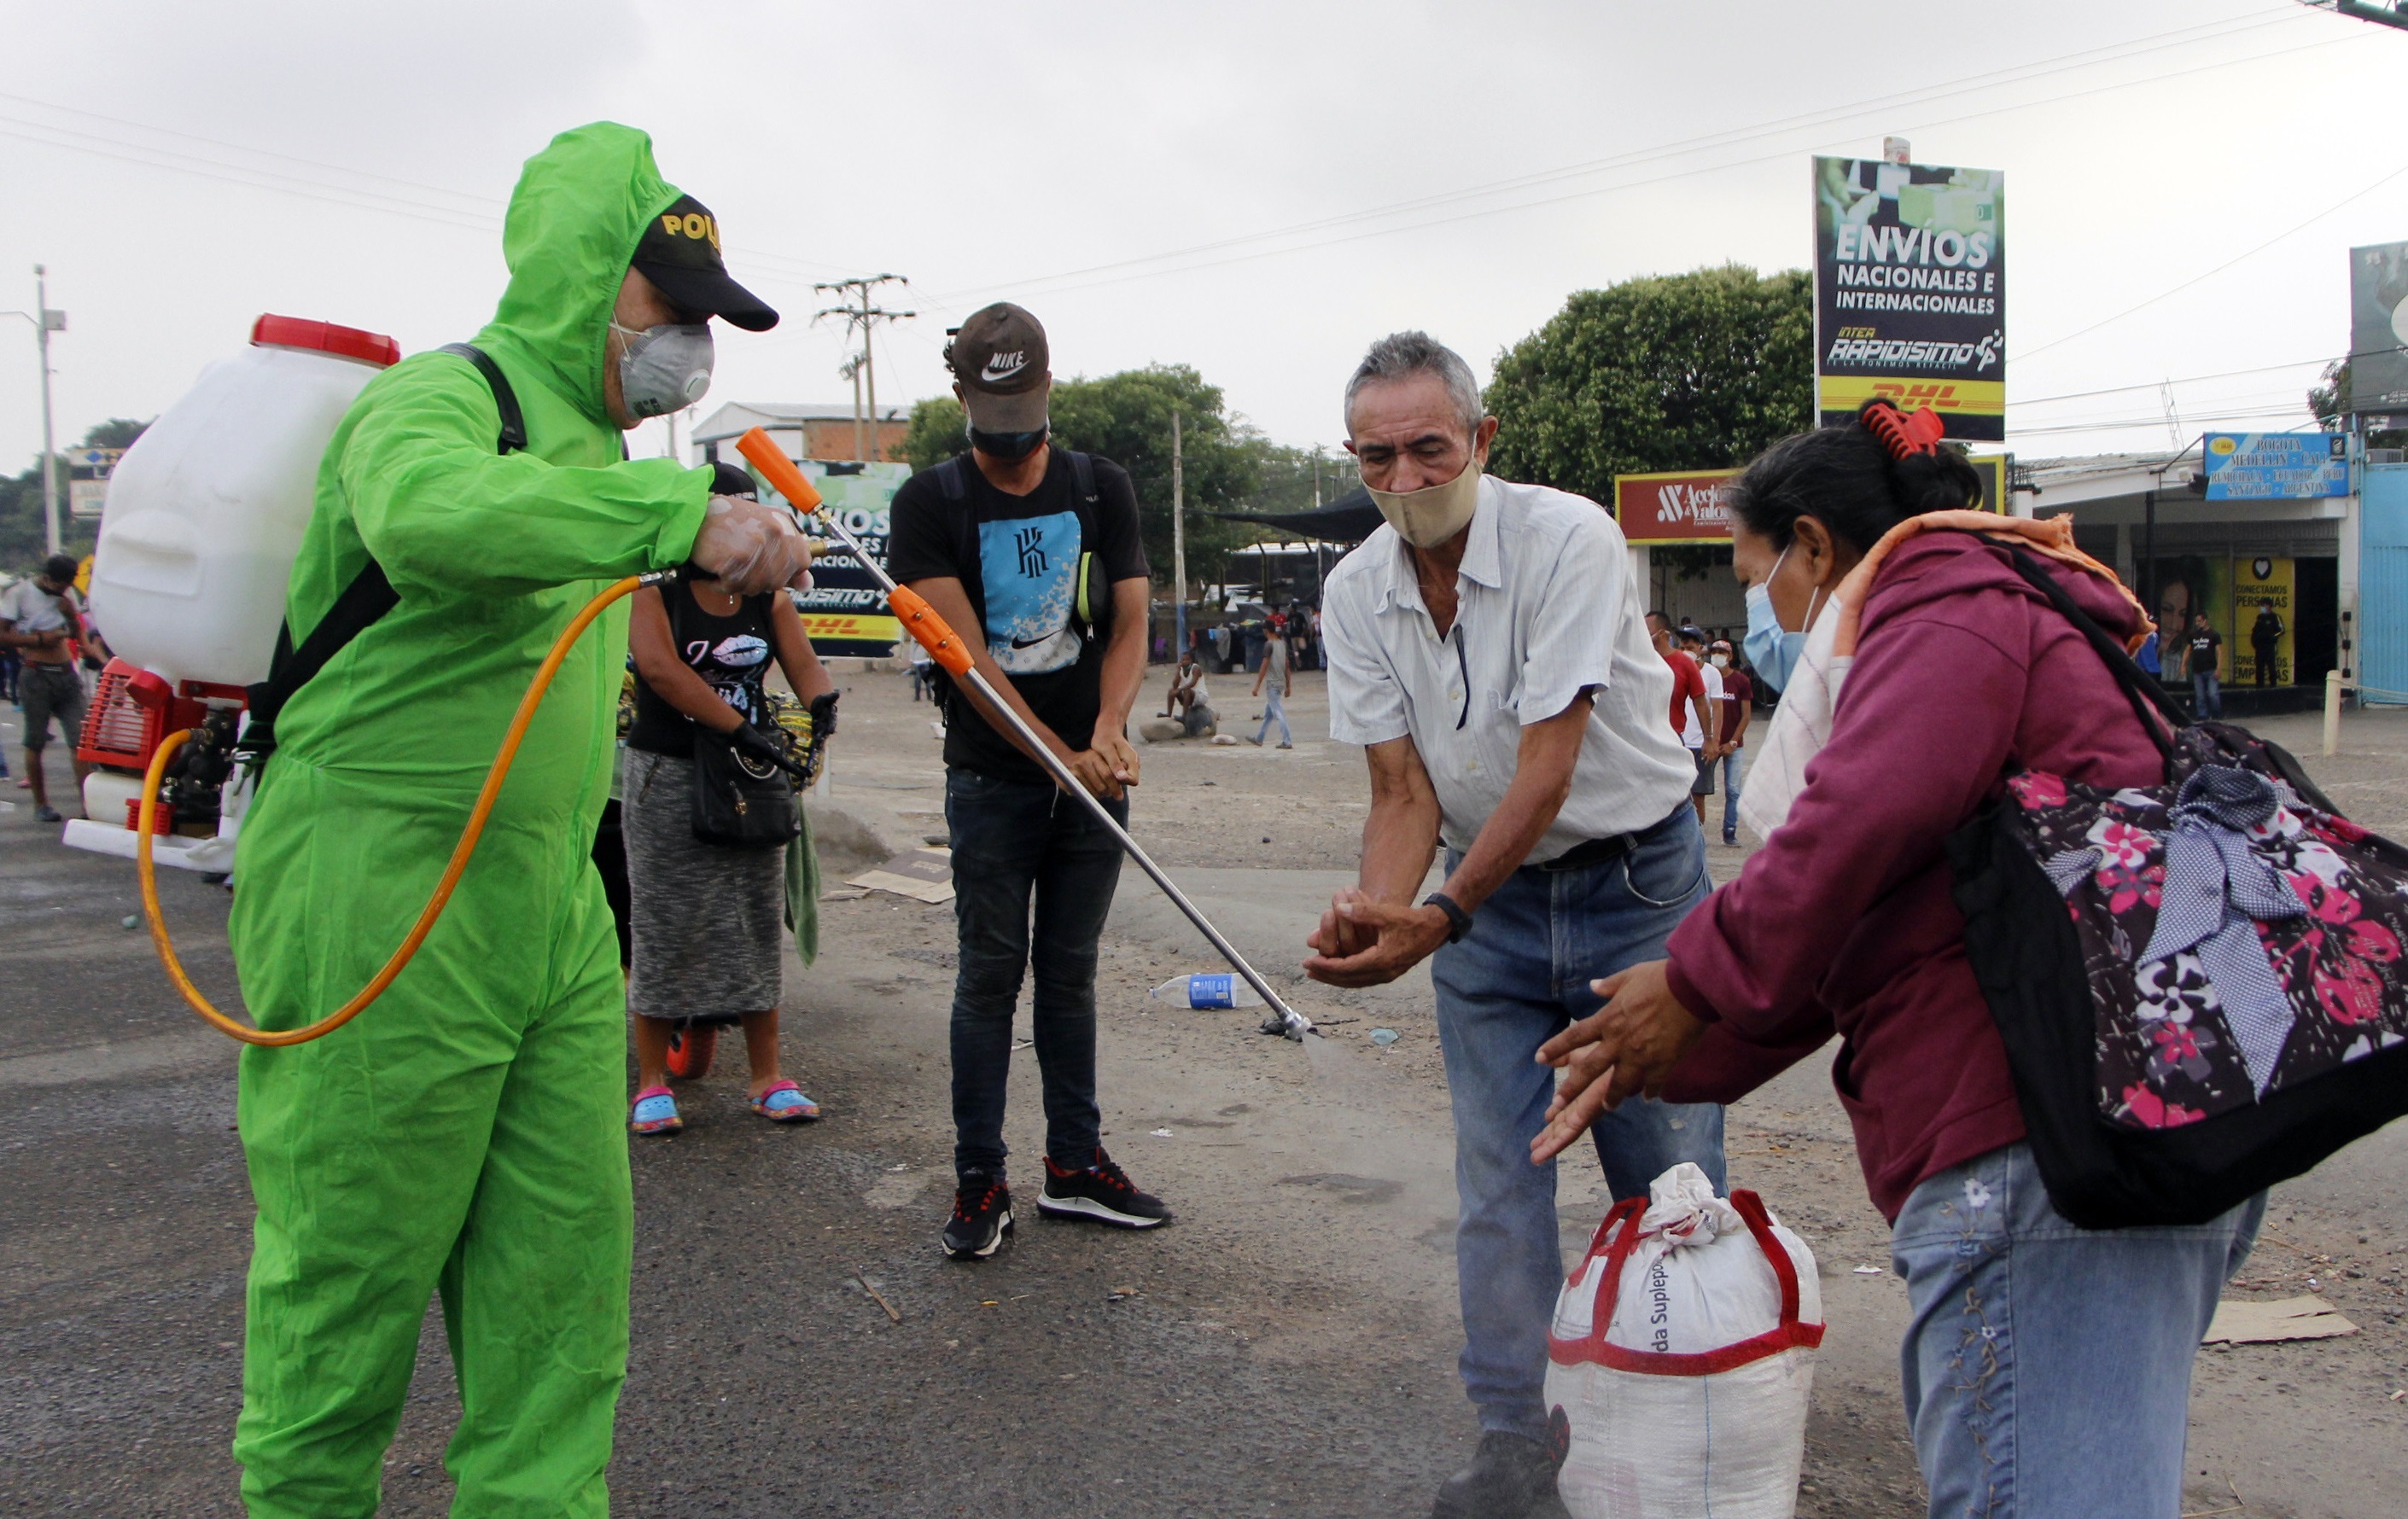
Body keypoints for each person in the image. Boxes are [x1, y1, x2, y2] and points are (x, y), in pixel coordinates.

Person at [1531, 403, 2265, 1519]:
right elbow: (1861, 924)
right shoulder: (1989, 611)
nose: (1757, 612)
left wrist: (1686, 983)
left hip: (2036, 1143)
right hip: (2102, 1124)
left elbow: (1866, 815)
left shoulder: (1943, 599)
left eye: (1754, 577)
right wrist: (1658, 1055)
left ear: (1815, 547)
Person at [224, 123, 808, 1516]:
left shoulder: (606, 452)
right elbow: (431, 516)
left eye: (707, 326)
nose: (690, 349)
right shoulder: (441, 400)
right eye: (670, 314)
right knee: (345, 1288)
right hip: (377, 875)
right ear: (583, 280)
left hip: (552, 894)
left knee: (561, 1297)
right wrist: (669, 518)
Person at [1303, 332, 1723, 1519]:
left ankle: (1691, 1417)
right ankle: (1513, 1440)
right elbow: (1400, 792)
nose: (1405, 480)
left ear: (1481, 443)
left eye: (1429, 449)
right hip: (1481, 915)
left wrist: (1433, 913)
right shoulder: (1354, 590)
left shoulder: (1570, 539)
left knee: (1671, 1177)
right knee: (1499, 1184)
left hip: (1632, 889)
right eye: (1377, 458)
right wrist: (1377, 916)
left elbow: (1549, 764)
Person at [886, 301, 1169, 1261]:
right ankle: (979, 1179)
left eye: (1030, 413)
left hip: (1093, 772)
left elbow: (1130, 623)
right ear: (962, 396)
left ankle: (1075, 1166)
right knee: (988, 977)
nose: (1016, 442)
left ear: (1049, 389)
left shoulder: (1101, 486)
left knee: (1072, 976)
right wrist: (1063, 751)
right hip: (994, 783)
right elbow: (967, 659)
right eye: (996, 417)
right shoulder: (930, 503)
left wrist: (1109, 727)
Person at [623, 463, 835, 1136]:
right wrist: (738, 724)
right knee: (665, 919)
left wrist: (821, 706)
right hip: (669, 773)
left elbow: (801, 661)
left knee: (751, 918)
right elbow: (661, 671)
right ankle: (652, 1082)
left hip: (750, 772)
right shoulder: (653, 591)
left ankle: (767, 1075)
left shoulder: (767, 596)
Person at [0, 554, 91, 823]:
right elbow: (3, 634)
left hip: (66, 675)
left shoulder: (65, 597)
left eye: (68, 586)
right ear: (47, 578)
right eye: (60, 585)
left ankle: (88, 804)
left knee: (80, 741)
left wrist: (70, 616)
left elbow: (76, 633)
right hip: (36, 674)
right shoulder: (20, 594)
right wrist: (38, 639)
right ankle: (41, 803)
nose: (63, 591)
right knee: (36, 740)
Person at [1647, 611, 1717, 827]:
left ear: (1662, 633)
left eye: (1648, 632)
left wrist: (1709, 738)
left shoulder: (1683, 664)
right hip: (1645, 738)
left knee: (1682, 798)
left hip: (1673, 739)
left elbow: (1700, 702)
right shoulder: (1642, 662)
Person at [1706, 638, 1753, 846]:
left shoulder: (1741, 681)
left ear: (1730, 656)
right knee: (1699, 788)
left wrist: (1733, 742)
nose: (1717, 655)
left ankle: (1730, 830)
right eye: (1714, 651)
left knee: (1733, 790)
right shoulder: (1706, 677)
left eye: (1721, 652)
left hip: (1733, 745)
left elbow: (1746, 716)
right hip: (1710, 743)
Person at [1248, 618, 1292, 748]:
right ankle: (1259, 738)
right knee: (1268, 713)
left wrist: (1257, 685)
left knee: (1278, 711)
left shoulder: (1269, 645)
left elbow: (1264, 666)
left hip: (1272, 682)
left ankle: (1287, 740)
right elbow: (1287, 666)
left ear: (1266, 630)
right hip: (1281, 682)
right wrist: (1289, 685)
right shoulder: (1283, 644)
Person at [2189, 610, 2224, 719]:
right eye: (2196, 621)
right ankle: (2202, 715)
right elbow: (2188, 649)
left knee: (2213, 694)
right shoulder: (2193, 635)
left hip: (2211, 669)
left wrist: (2219, 668)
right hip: (2197, 669)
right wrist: (2183, 665)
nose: (2197, 623)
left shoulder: (2214, 634)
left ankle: (2216, 713)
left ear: (2205, 621)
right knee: (2200, 695)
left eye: (2199, 621)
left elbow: (2219, 651)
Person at [1162, 649, 1207, 720]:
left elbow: (1193, 683)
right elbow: (1175, 685)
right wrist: (1178, 671)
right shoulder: (1181, 669)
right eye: (1183, 660)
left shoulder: (1196, 668)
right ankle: (1169, 714)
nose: (1185, 662)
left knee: (1187, 690)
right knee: (1171, 690)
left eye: (1187, 660)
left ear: (1191, 660)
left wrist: (1180, 689)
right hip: (1188, 696)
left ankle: (1184, 717)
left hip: (1200, 696)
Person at [2251, 599, 2284, 688]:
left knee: (2271, 667)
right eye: (2261, 605)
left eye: (2263, 605)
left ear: (2269, 606)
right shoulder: (2260, 617)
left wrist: (2272, 636)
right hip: (2260, 646)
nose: (2262, 607)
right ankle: (2259, 687)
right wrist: (2254, 641)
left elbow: (2281, 631)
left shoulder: (2275, 617)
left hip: (2270, 646)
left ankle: (2273, 686)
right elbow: (2255, 631)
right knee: (2259, 668)